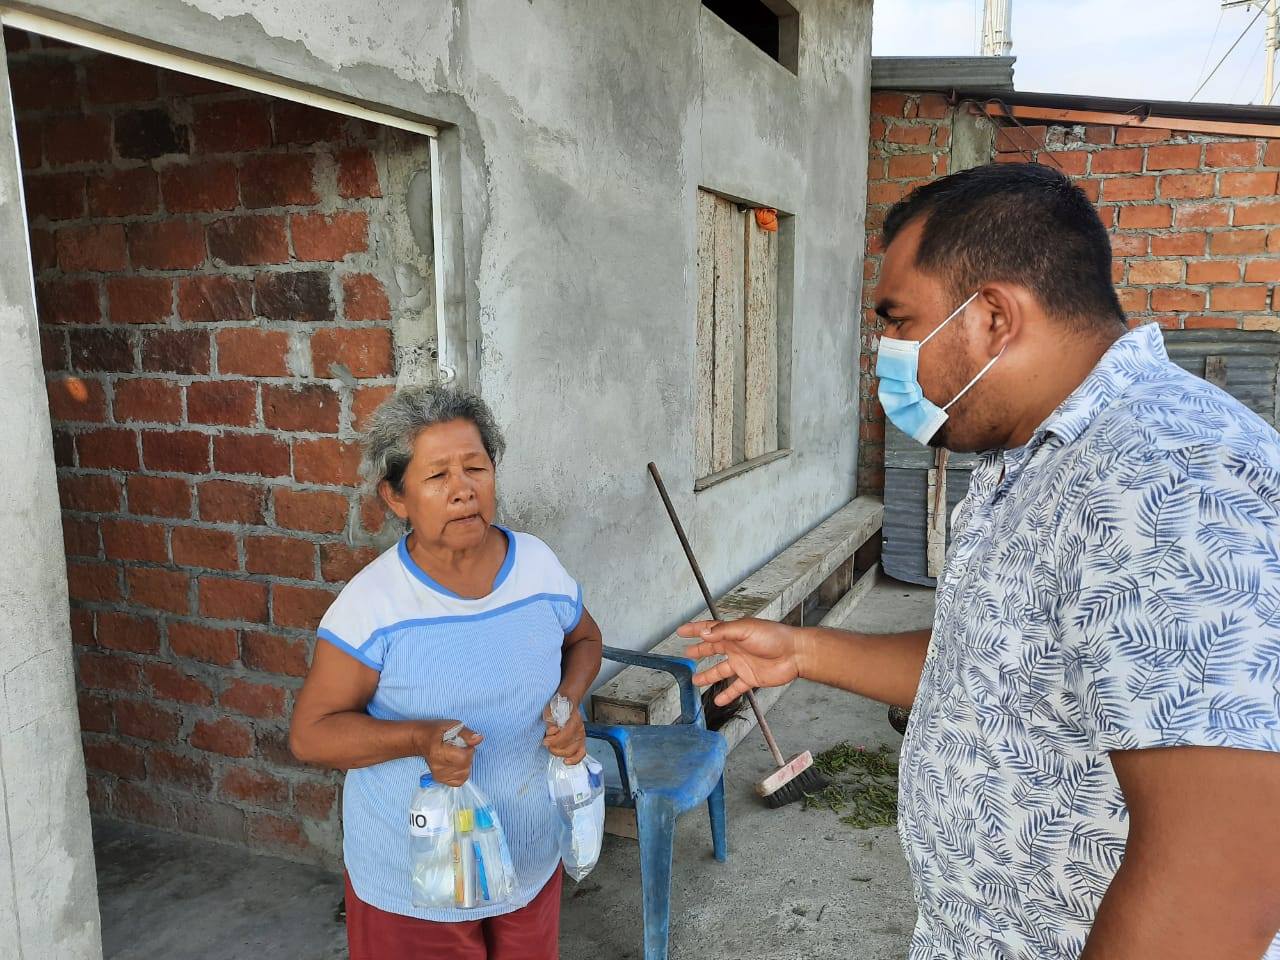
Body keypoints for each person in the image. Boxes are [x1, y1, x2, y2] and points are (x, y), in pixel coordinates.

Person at [681, 163, 1280, 959]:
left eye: (900, 322)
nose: (887, 354)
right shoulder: (1036, 457)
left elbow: (1220, 874)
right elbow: (998, 666)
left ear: (994, 317)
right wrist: (801, 650)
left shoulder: (1167, 474)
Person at [290, 385, 602, 960]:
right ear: (396, 497)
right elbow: (311, 734)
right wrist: (418, 739)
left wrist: (569, 700)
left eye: (475, 468)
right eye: (437, 476)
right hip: (418, 873)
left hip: (528, 852)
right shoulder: (373, 605)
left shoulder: (537, 566)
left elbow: (584, 638)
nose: (463, 490)